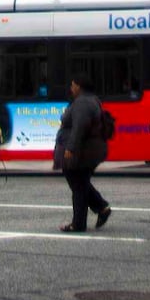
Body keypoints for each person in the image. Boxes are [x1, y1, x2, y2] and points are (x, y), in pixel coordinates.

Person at [54, 72, 113, 233]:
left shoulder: (83, 103)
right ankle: (101, 207)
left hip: (83, 150)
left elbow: (80, 127)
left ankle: (79, 223)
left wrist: (70, 148)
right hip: (88, 149)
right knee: (80, 182)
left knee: (78, 183)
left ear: (78, 86)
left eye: (73, 85)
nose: (71, 87)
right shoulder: (87, 100)